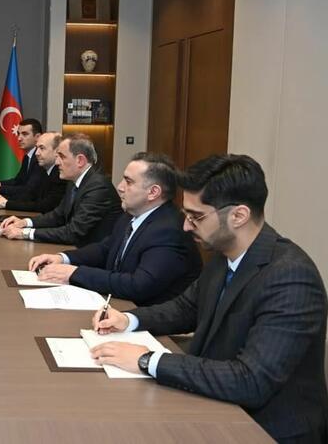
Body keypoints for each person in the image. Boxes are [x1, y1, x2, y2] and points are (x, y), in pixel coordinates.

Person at [90, 154, 328, 442]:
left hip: (265, 428)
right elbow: (185, 308)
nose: (186, 226)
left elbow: (251, 380)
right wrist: (128, 319)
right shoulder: (223, 256)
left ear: (238, 216)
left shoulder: (291, 277)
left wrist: (147, 360)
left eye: (197, 217)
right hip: (214, 403)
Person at [27, 152, 201, 306]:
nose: (120, 187)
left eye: (129, 182)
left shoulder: (169, 230)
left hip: (149, 321)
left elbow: (138, 285)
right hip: (118, 305)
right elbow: (105, 249)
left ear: (153, 192)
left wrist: (75, 273)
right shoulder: (131, 215)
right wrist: (63, 258)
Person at [0, 133, 121, 245]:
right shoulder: (74, 181)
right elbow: (58, 215)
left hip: (93, 255)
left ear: (80, 160)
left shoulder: (98, 187)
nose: (57, 162)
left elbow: (73, 232)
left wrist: (25, 233)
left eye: (62, 157)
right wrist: (25, 222)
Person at [0, 132, 67, 213]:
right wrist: (4, 199)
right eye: (36, 148)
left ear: (56, 152)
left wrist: (6, 203)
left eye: (42, 148)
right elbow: (30, 195)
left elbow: (45, 206)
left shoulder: (61, 175)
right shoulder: (43, 169)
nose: (36, 153)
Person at [0, 118, 43, 197]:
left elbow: (29, 190)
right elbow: (18, 181)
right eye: (18, 134)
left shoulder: (40, 158)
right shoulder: (27, 157)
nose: (19, 138)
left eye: (25, 134)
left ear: (37, 137)